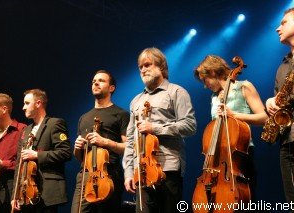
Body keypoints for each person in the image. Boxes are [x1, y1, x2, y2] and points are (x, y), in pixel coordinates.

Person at [122, 47, 197, 213]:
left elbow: (190, 126)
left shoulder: (176, 92)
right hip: (141, 171)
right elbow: (130, 140)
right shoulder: (136, 101)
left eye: (147, 65)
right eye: (140, 67)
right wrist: (128, 172)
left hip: (168, 167)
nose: (143, 69)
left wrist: (155, 128)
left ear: (161, 67)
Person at [193, 55, 268, 202]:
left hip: (240, 155)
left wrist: (234, 115)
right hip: (217, 157)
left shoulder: (244, 86)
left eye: (204, 80)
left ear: (213, 72)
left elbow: (265, 118)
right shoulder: (215, 97)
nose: (205, 86)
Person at [71, 70, 130, 213]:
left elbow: (129, 148)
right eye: (93, 81)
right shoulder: (84, 118)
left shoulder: (121, 114)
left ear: (112, 88)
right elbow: (80, 158)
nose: (96, 83)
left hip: (109, 175)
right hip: (85, 176)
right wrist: (77, 148)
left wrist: (106, 142)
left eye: (101, 80)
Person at [11, 89, 72, 213]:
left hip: (47, 191)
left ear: (38, 103)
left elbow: (66, 152)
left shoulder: (55, 123)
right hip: (26, 192)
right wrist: (14, 195)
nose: (23, 107)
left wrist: (37, 155)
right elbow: (19, 164)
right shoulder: (25, 131)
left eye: (27, 103)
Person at [265, 8, 294, 210]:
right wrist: (270, 102)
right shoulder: (283, 66)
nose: (277, 28)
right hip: (287, 140)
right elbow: (277, 97)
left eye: (283, 23)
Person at [0, 93, 27, 213]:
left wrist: (3, 163)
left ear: (4, 109)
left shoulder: (22, 130)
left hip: (14, 187)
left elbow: (26, 162)